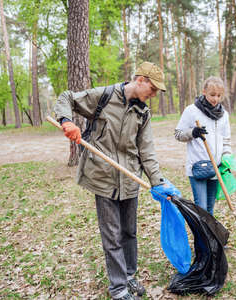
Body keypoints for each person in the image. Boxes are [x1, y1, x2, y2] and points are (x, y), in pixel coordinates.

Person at [54, 61, 180, 300]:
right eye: (152, 89)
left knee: (129, 232)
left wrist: (158, 181)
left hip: (130, 179)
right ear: (140, 80)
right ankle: (118, 288)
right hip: (103, 178)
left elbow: (147, 151)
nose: (153, 95)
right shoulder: (104, 96)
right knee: (112, 235)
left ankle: (129, 276)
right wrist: (66, 121)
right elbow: (67, 97)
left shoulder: (143, 113)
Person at [174, 76, 232, 215]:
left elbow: (226, 140)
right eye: (212, 95)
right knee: (202, 209)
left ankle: (209, 237)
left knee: (210, 209)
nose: (215, 99)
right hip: (198, 168)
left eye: (219, 95)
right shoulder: (191, 111)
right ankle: (201, 237)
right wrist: (193, 133)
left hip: (216, 168)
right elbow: (178, 134)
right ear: (204, 91)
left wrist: (227, 160)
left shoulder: (224, 115)